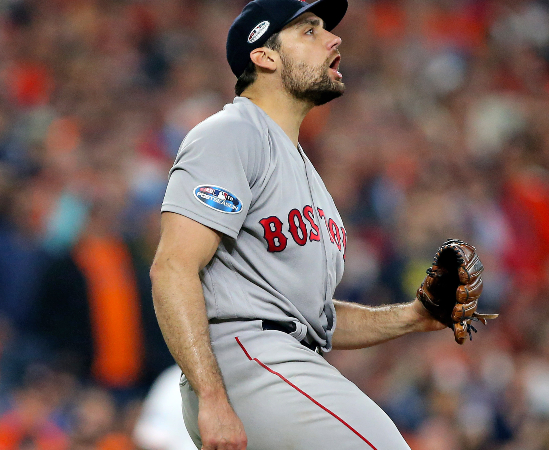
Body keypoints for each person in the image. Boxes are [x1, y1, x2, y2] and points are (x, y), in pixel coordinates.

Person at [149, 0, 464, 448]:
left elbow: (314, 317)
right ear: (265, 56)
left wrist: (413, 317)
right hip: (243, 359)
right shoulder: (231, 133)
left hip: (285, 359)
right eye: (310, 31)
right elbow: (173, 268)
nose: (334, 39)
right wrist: (214, 397)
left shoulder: (305, 173)